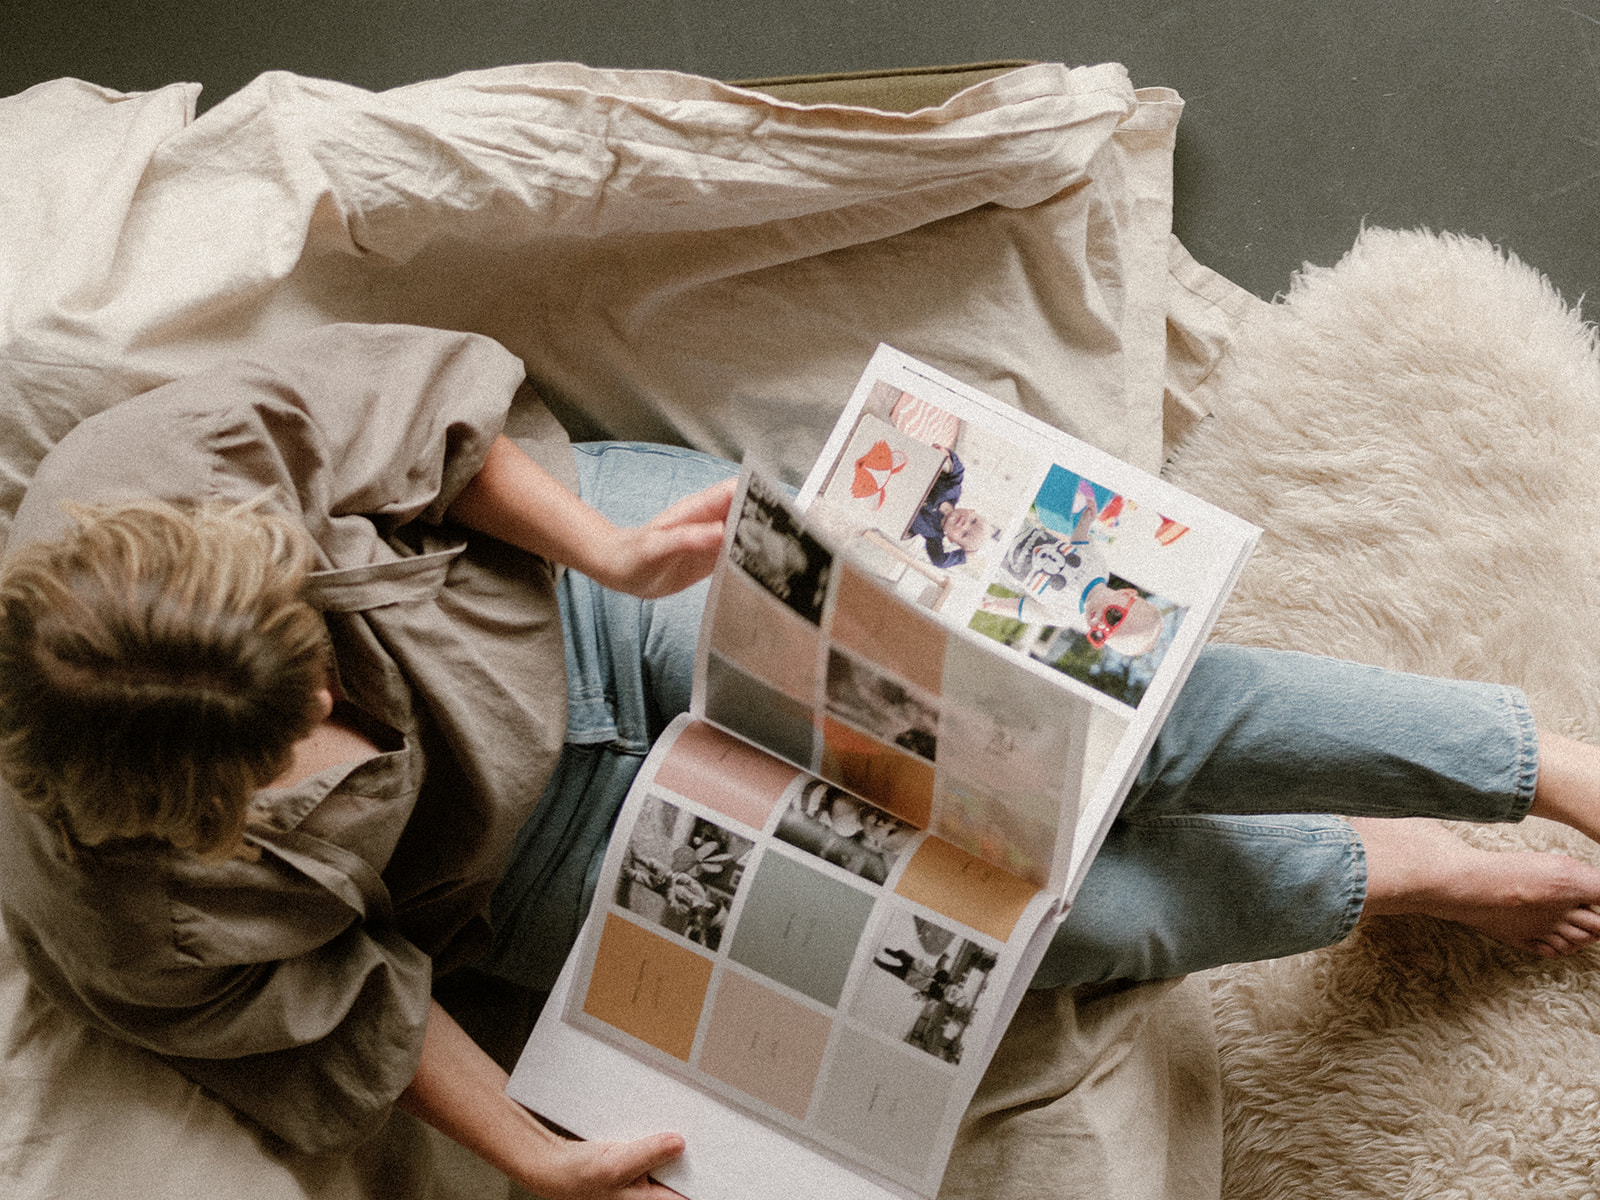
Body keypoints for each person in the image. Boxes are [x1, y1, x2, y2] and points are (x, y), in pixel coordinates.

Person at [5, 324, 1600, 1200]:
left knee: (1082, 714)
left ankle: (1543, 766)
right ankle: (1388, 874)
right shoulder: (130, 927)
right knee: (1028, 925)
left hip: (583, 596)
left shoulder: (148, 477)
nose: (346, 732)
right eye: (295, 766)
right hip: (538, 872)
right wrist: (538, 1165)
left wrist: (617, 558)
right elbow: (368, 1010)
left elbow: (435, 427)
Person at [903, 449, 996, 568]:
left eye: (964, 534)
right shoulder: (952, 491)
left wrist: (966, 555)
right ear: (971, 511)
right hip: (907, 471)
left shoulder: (933, 536)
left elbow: (940, 561)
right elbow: (958, 471)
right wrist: (947, 455)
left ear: (951, 539)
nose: (964, 525)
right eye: (973, 521)